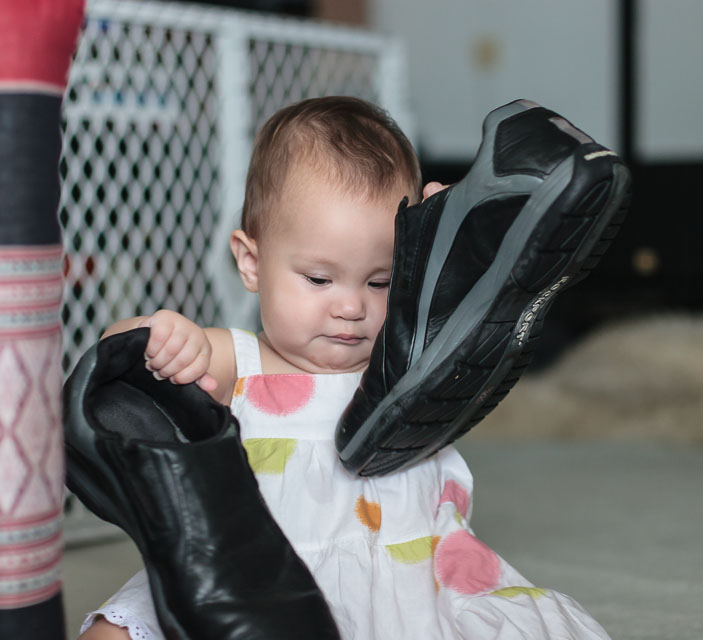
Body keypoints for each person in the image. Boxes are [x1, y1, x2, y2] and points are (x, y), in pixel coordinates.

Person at [78, 96, 610, 639]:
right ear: (252, 262)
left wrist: (450, 264)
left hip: (401, 574)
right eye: (319, 279)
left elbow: (456, 348)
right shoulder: (235, 359)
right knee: (116, 631)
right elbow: (120, 364)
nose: (351, 307)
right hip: (247, 581)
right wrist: (165, 338)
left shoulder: (402, 367)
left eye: (381, 281)